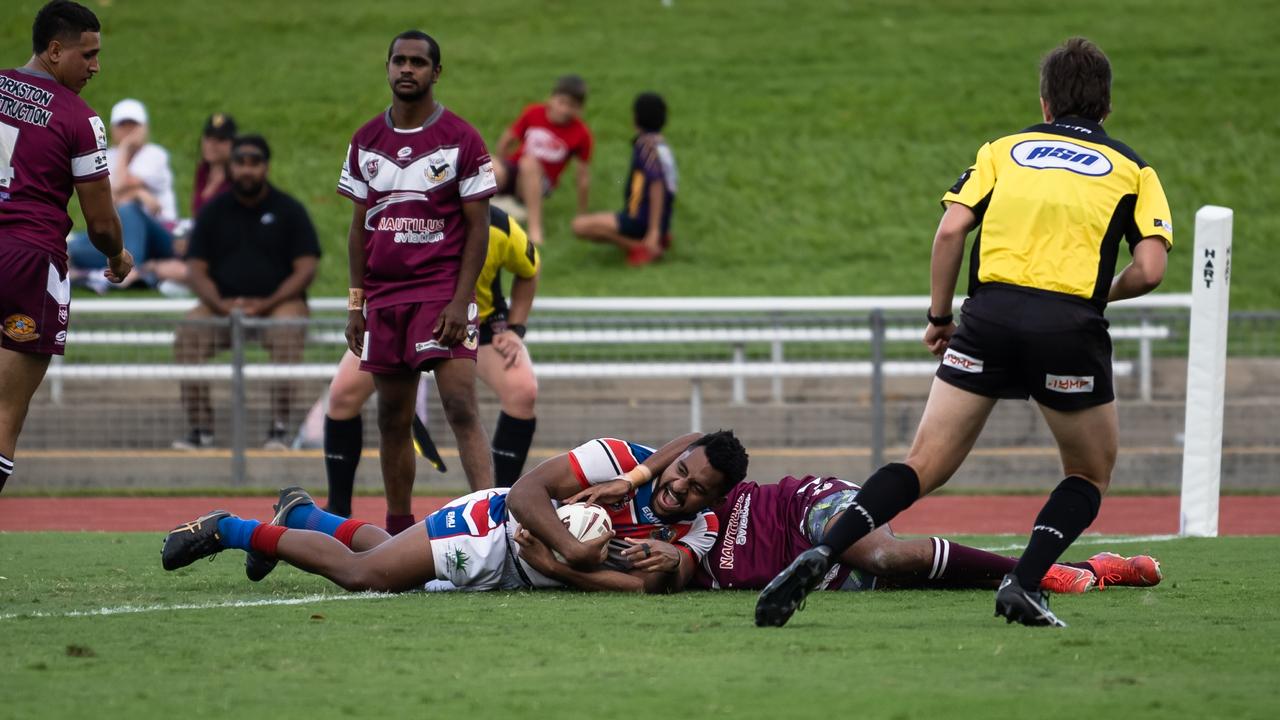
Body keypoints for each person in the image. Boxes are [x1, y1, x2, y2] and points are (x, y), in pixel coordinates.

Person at [756, 37, 1173, 628]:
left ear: (1045, 103)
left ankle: (823, 551)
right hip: (1067, 328)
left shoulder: (1004, 150)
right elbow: (1151, 270)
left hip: (988, 318)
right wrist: (1093, 291)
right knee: (1087, 473)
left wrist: (939, 317)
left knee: (923, 463)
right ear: (1107, 107)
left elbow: (952, 231)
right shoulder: (1134, 169)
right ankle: (1025, 584)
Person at [161, 431, 749, 594]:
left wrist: (565, 567)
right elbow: (523, 494)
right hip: (492, 527)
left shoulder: (701, 531)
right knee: (367, 577)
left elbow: (646, 587)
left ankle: (301, 515)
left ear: (715, 499)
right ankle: (229, 529)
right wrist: (571, 546)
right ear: (675, 460)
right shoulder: (617, 458)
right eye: (680, 472)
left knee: (378, 553)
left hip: (527, 566)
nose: (681, 490)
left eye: (698, 489)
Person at [337, 30, 498, 534]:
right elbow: (358, 229)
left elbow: (479, 229)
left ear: (435, 72)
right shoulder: (365, 141)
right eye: (399, 61)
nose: (407, 69)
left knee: (460, 407)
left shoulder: (462, 138)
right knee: (391, 419)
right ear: (387, 67)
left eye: (418, 62)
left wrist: (460, 299)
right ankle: (399, 531)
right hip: (385, 299)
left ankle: (492, 528)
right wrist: (355, 305)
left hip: (440, 293)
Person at [322, 205, 541, 526]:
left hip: (474, 325)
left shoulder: (499, 227)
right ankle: (338, 512)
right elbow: (365, 251)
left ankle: (500, 510)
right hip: (401, 319)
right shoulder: (400, 215)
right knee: (342, 394)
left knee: (522, 392)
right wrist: (358, 310)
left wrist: (515, 329)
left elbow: (530, 269)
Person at [581, 474, 1161, 594]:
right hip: (807, 574)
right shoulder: (637, 552)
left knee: (883, 555)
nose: (679, 488)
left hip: (804, 509)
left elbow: (698, 444)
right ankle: (1098, 568)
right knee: (936, 583)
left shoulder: (648, 476)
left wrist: (635, 474)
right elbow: (665, 577)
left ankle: (1040, 574)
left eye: (687, 481)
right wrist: (563, 563)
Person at [0, 0, 132, 495]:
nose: (96, 67)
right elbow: (99, 222)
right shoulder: (79, 118)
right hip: (28, 263)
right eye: (89, 55)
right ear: (55, 51)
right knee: (5, 415)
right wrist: (117, 255)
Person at [172, 134, 320, 450]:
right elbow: (195, 268)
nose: (247, 170)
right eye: (240, 163)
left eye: (255, 163)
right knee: (189, 333)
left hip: (279, 303)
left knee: (287, 331)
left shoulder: (289, 210)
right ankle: (201, 429)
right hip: (222, 306)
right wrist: (220, 304)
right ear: (231, 167)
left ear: (266, 166)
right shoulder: (212, 211)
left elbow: (307, 267)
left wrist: (268, 303)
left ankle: (279, 429)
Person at [66, 97, 177, 289]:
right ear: (113, 128)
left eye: (133, 125)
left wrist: (124, 149)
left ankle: (129, 272)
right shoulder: (107, 156)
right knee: (70, 247)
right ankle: (124, 265)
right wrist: (139, 193)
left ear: (144, 128)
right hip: (121, 236)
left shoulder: (154, 154)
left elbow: (118, 189)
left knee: (129, 210)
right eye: (122, 125)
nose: (127, 130)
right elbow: (109, 199)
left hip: (158, 231)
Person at [571, 92, 676, 266]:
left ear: (636, 118)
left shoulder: (645, 145)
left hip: (640, 219)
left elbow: (657, 184)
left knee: (579, 226)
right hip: (659, 218)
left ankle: (639, 246)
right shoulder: (662, 145)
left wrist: (654, 230)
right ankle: (657, 238)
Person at [492, 74, 593, 247]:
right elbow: (506, 140)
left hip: (541, 182)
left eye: (572, 106)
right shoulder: (534, 113)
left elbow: (582, 176)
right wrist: (501, 170)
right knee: (487, 163)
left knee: (529, 163)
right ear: (551, 99)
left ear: (580, 110)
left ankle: (535, 230)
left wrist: (582, 213)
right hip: (514, 170)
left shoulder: (581, 134)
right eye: (561, 102)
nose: (564, 110)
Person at [192, 111, 235, 216]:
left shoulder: (237, 178)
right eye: (208, 138)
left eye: (220, 139)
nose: (212, 144)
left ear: (233, 144)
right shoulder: (203, 170)